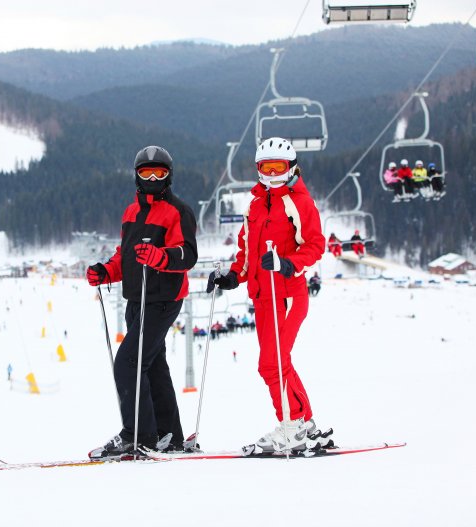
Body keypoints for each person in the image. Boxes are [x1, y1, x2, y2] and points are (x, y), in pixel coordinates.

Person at [207, 137, 330, 455]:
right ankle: (304, 423)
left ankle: (291, 427)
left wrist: (289, 264)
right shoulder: (255, 205)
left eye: (279, 167)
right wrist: (233, 275)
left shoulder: (299, 202)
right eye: (266, 167)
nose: (273, 174)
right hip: (263, 297)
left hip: (288, 294)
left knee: (272, 364)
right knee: (277, 363)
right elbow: (247, 251)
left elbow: (315, 244)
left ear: (291, 168)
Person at [86, 145, 198, 458]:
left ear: (169, 176)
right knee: (151, 367)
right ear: (136, 176)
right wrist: (106, 272)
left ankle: (138, 435)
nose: (152, 178)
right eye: (145, 172)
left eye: (159, 172)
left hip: (163, 299)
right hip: (136, 300)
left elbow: (188, 255)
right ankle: (169, 435)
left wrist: (161, 257)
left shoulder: (178, 211)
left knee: (128, 363)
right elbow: (125, 257)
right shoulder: (131, 212)